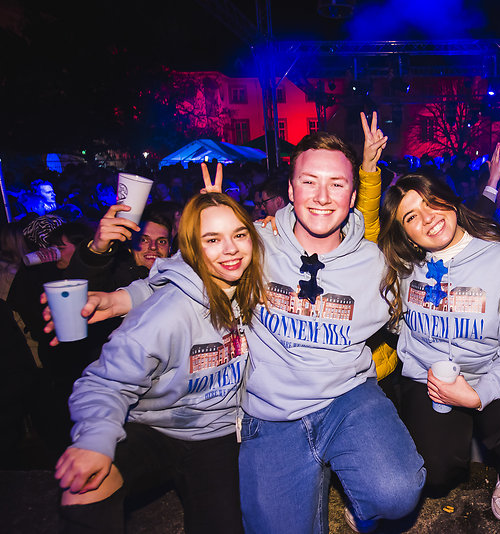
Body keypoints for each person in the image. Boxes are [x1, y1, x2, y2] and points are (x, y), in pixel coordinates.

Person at [63, 133, 426, 534]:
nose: (322, 196)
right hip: (269, 413)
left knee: (395, 494)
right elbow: (192, 271)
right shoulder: (253, 240)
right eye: (309, 181)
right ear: (291, 190)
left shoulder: (376, 264)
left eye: (336, 184)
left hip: (347, 398)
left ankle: (359, 498)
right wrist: (122, 298)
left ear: (353, 195)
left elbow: (421, 314)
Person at [54, 192, 265, 534]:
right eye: (212, 239)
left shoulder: (253, 290)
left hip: (218, 434)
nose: (230, 249)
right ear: (193, 249)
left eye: (239, 235)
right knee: (88, 486)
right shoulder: (166, 313)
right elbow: (104, 382)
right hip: (154, 429)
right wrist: (94, 441)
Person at [378, 168, 500, 523]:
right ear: (404, 232)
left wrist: (479, 394)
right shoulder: (402, 266)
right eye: (411, 217)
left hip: (492, 371)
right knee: (435, 474)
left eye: (430, 202)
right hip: (429, 380)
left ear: (449, 198)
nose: (427, 218)